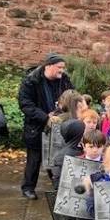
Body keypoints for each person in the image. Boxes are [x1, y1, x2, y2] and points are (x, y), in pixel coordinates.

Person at [17, 53, 74, 199]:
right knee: (34, 159)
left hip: (59, 125)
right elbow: (25, 104)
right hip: (36, 126)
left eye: (63, 67)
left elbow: (72, 97)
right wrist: (45, 117)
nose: (62, 70)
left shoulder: (64, 80)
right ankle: (28, 188)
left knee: (56, 157)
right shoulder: (31, 81)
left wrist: (62, 114)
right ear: (48, 66)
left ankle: (57, 186)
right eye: (59, 67)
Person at [50, 119, 86, 220]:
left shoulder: (84, 150)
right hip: (67, 195)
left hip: (83, 193)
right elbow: (56, 177)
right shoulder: (62, 155)